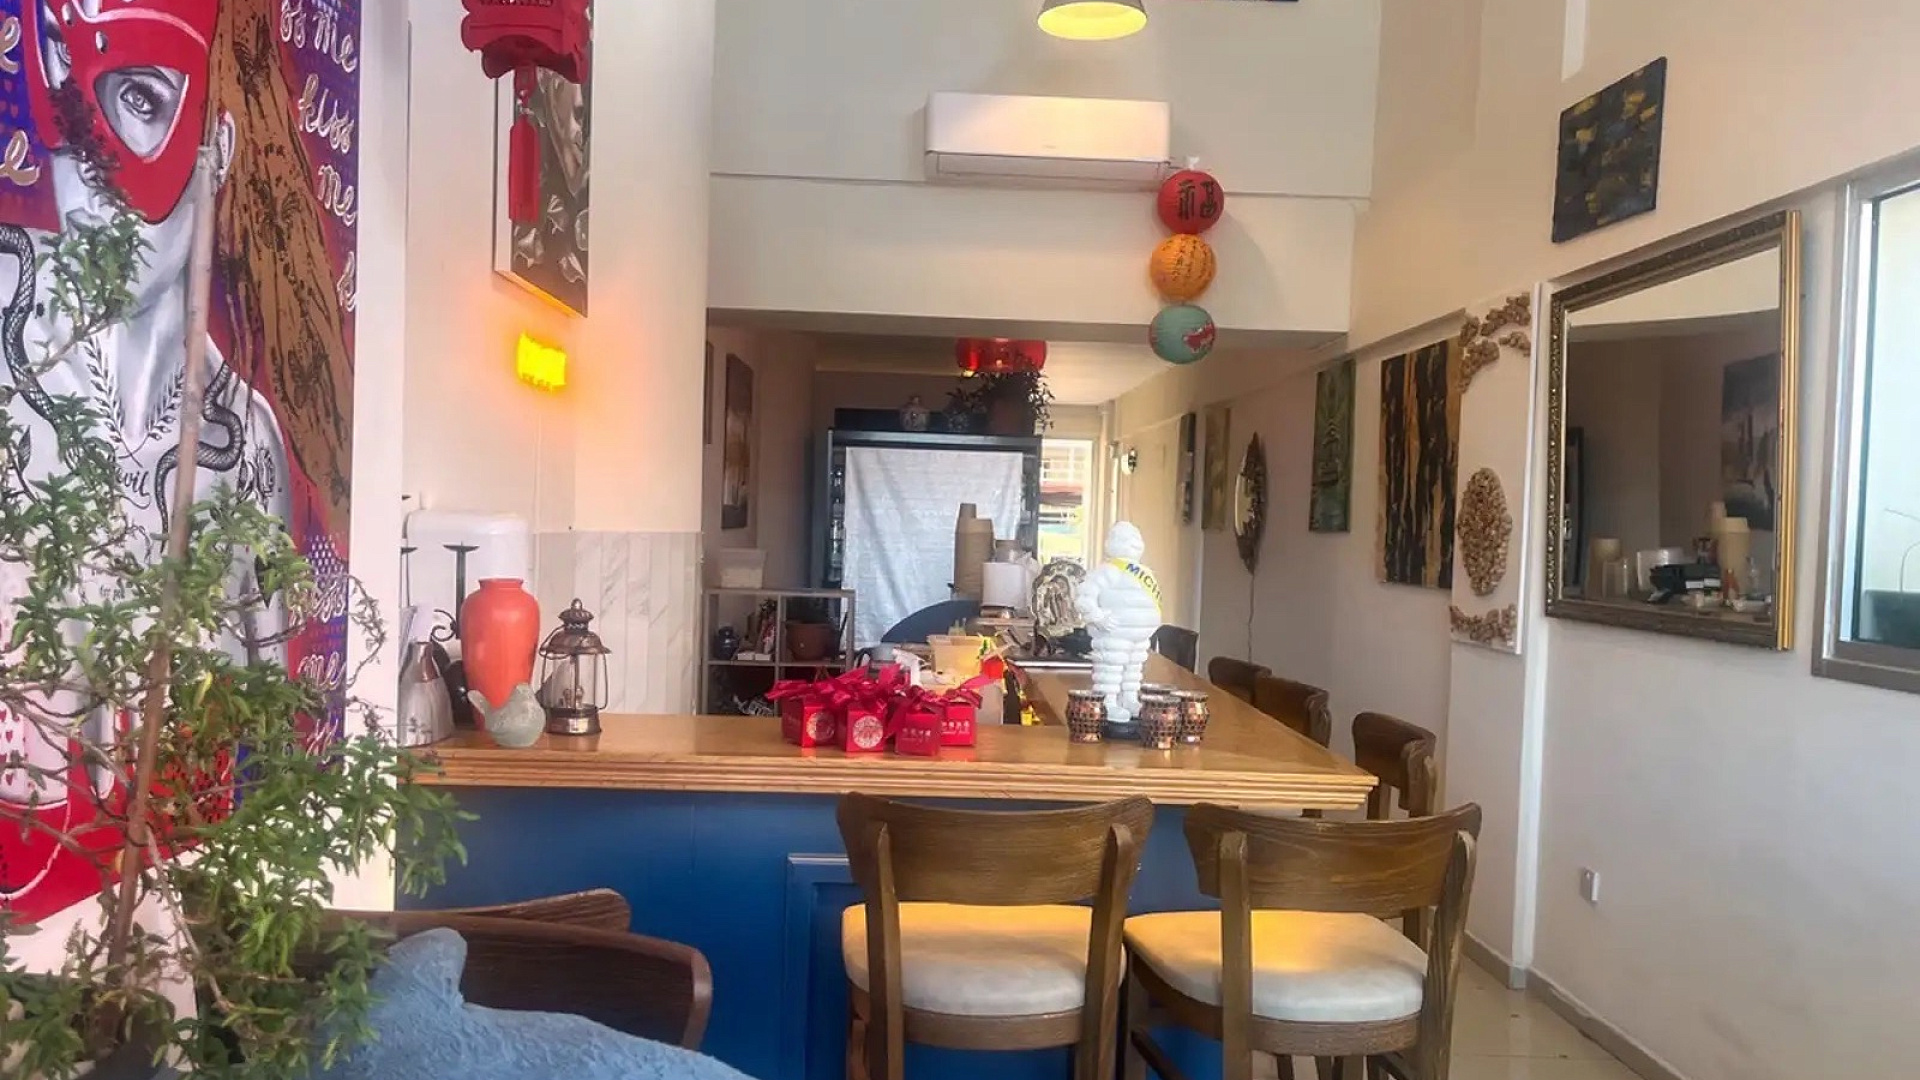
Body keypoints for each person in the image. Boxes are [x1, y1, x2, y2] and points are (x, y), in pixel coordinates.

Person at [0, 0, 291, 923]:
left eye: (136, 97)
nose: (88, 167)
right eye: (63, 98)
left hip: (172, 952)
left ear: (218, 144)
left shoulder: (246, 445)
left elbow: (270, 739)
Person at [1074, 521, 1162, 724]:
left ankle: (1129, 699)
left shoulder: (1144, 572)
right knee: (1110, 668)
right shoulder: (1107, 571)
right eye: (1127, 539)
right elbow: (1084, 597)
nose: (1134, 543)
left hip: (1140, 637)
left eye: (1136, 538)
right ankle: (1107, 702)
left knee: (1133, 670)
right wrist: (1097, 617)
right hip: (1114, 633)